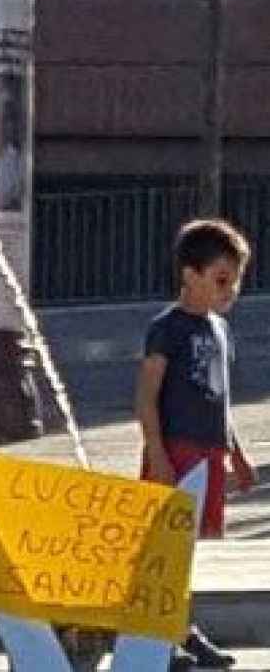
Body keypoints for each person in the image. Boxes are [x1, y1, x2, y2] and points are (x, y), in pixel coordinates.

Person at [135, 218, 256, 669]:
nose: (231, 291)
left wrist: (237, 455)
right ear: (190, 275)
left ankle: (181, 630)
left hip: (211, 454)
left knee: (197, 550)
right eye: (221, 280)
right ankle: (162, 637)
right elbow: (147, 397)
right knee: (166, 551)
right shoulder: (167, 328)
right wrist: (159, 455)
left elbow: (219, 398)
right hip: (177, 450)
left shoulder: (219, 331)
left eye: (237, 281)